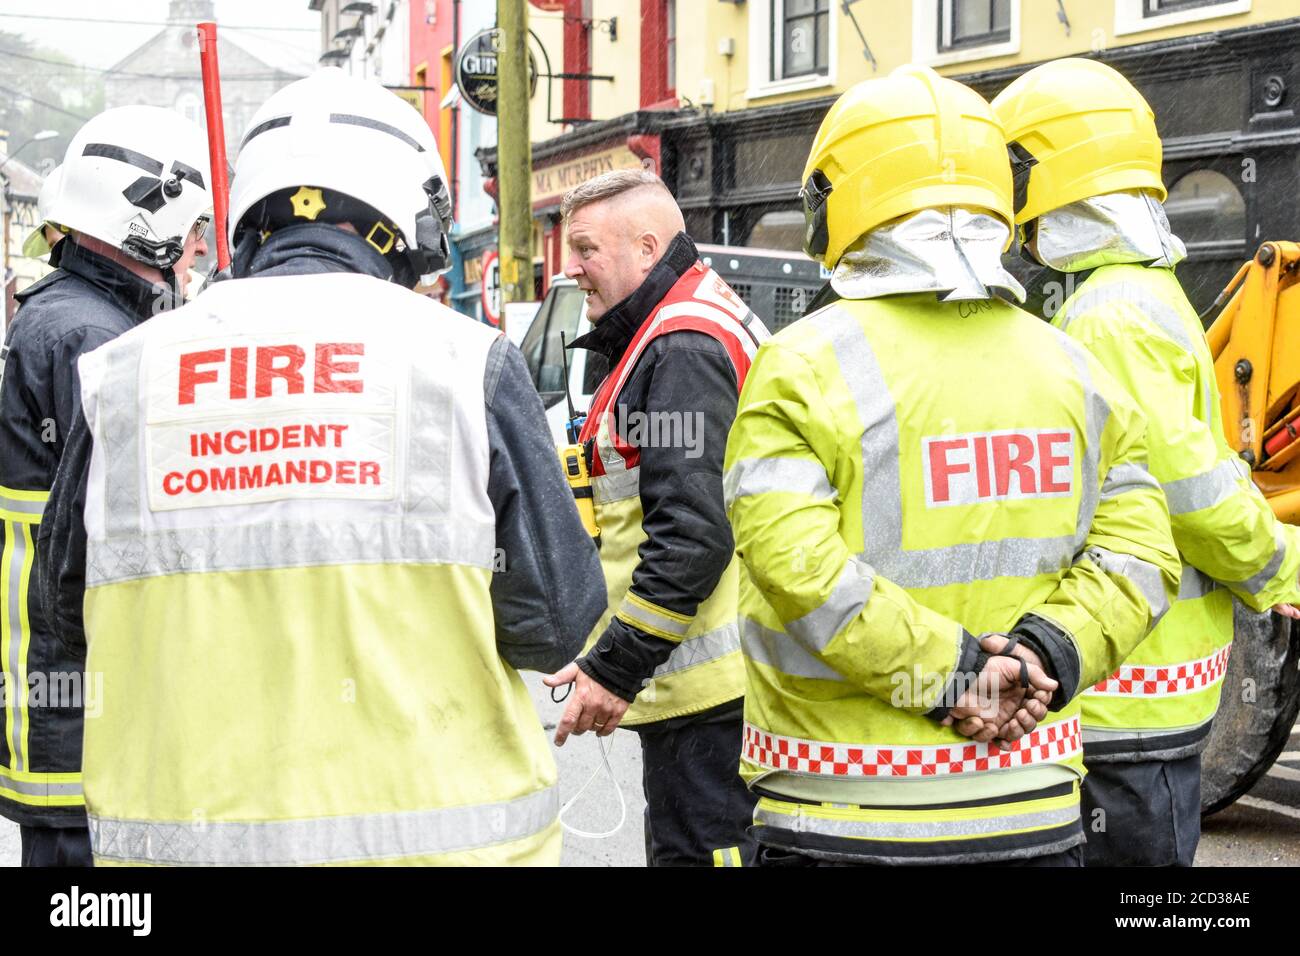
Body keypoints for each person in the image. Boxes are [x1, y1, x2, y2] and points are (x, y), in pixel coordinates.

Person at [38, 68, 606, 866]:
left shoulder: (124, 375)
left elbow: (66, 614)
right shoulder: (464, 362)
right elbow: (556, 624)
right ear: (403, 216)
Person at [724, 64, 1182, 867]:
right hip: (1033, 808)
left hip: (844, 811)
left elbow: (798, 569)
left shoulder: (798, 365)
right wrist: (1043, 656)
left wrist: (957, 680)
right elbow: (1142, 557)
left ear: (838, 206)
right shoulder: (1076, 366)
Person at [993, 58, 1300, 867]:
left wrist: (1280, 568)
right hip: (1164, 679)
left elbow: (1185, 487)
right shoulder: (1147, 294)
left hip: (1129, 690)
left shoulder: (1106, 317)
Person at [0, 106, 211, 867]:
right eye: (192, 235)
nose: (196, 256)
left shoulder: (64, 317)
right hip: (79, 690)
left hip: (59, 680)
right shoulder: (95, 340)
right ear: (144, 221)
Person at [541, 168, 769, 866]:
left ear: (646, 248)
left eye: (584, 249)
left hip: (710, 701)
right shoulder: (679, 324)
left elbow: (691, 540)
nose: (569, 269)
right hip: (713, 691)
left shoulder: (679, 348)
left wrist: (614, 670)